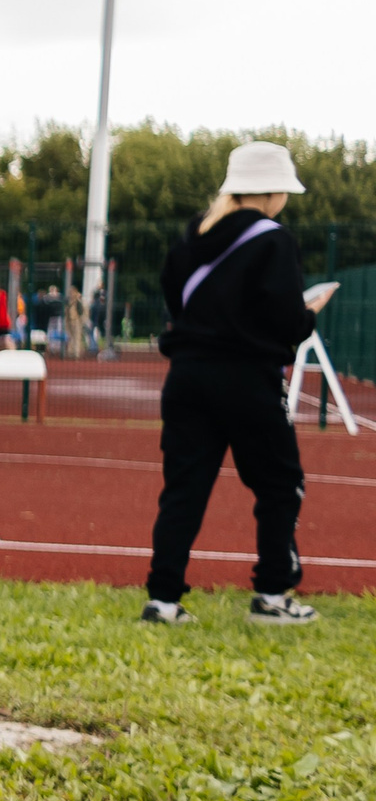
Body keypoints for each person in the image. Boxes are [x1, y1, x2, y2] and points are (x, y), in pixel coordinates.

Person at [142, 141, 332, 626]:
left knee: (183, 488)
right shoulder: (275, 240)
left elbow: (178, 302)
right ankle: (271, 595)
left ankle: (162, 601)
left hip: (186, 376)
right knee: (279, 484)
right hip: (248, 378)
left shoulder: (191, 237)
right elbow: (287, 323)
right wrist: (308, 314)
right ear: (272, 192)